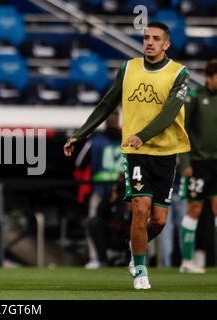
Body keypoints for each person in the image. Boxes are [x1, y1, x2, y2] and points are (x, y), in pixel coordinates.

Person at [64, 21, 190, 289]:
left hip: (166, 153)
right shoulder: (128, 69)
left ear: (166, 44)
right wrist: (80, 134)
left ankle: (136, 248)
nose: (150, 42)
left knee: (159, 220)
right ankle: (141, 270)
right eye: (146, 37)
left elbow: (169, 113)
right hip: (135, 152)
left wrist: (143, 133)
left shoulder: (179, 73)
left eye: (156, 38)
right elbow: (106, 103)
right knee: (140, 209)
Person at [178, 59, 217, 273]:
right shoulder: (194, 97)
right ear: (209, 77)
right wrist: (185, 161)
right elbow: (181, 130)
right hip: (198, 164)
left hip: (216, 163)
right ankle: (186, 261)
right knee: (194, 208)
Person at [74, 110, 123, 269]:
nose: (112, 117)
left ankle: (137, 257)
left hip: (124, 191)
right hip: (100, 190)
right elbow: (80, 162)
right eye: (110, 114)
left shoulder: (128, 139)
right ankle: (95, 257)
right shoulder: (95, 141)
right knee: (93, 222)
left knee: (137, 221)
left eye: (115, 115)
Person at [159, 166, 187, 267]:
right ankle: (168, 264)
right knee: (166, 228)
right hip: (170, 190)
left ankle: (187, 261)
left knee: (184, 228)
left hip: (176, 190)